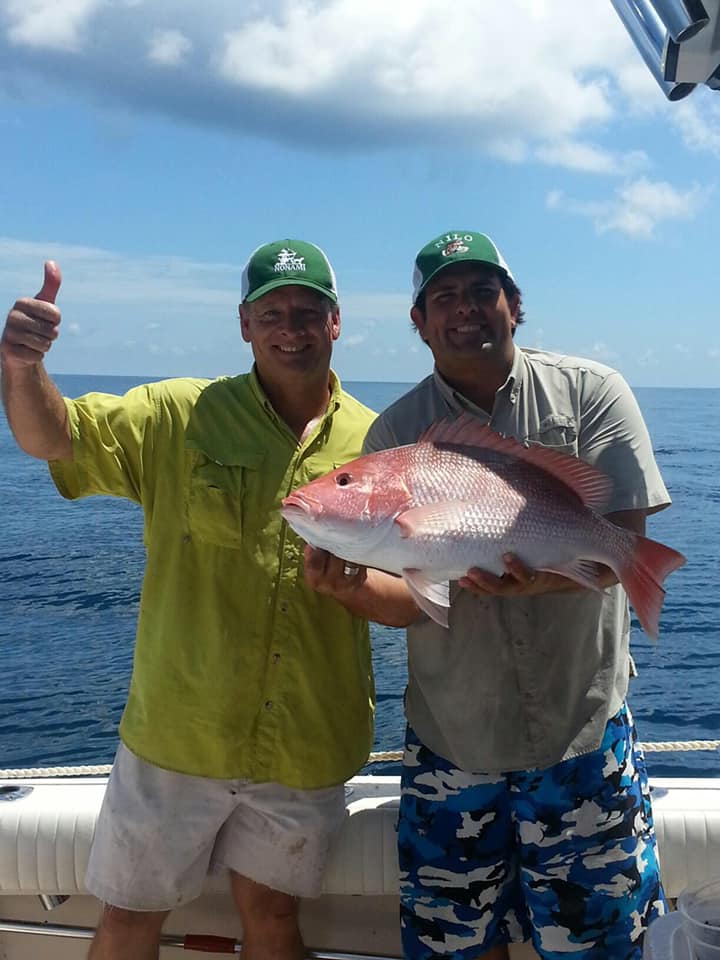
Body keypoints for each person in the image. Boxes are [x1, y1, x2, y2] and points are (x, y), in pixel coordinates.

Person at [0, 239, 376, 960]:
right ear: (244, 325)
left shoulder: (377, 440)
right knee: (128, 918)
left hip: (305, 741)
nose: (290, 326)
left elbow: (413, 582)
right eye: (272, 311)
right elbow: (56, 439)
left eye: (308, 310)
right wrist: (23, 366)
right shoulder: (178, 414)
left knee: (272, 919)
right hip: (178, 734)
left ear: (336, 323)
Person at [304, 230, 671, 959]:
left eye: (481, 292)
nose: (463, 310)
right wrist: (352, 591)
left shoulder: (592, 393)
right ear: (419, 321)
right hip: (454, 742)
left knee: (602, 948)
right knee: (454, 947)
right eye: (443, 297)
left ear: (514, 305)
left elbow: (617, 534)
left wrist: (556, 573)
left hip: (580, 734)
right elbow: (414, 596)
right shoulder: (398, 431)